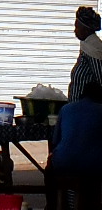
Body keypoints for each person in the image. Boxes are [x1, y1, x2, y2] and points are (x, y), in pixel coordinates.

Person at [45, 81, 102, 210]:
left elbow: (55, 140)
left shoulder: (66, 109)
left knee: (49, 171)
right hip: (93, 166)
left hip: (63, 163)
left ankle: (53, 205)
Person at [68, 6, 102, 102]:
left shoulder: (94, 49)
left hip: (86, 112)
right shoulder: (86, 47)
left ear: (86, 29)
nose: (75, 31)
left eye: (77, 27)